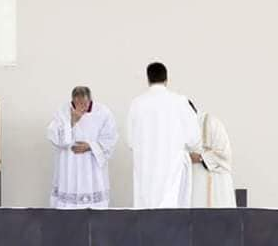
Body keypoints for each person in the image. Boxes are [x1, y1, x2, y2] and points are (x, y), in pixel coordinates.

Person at [127, 63, 200, 208]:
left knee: (147, 209)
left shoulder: (137, 103)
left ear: (148, 79)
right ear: (167, 79)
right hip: (173, 167)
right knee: (172, 208)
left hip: (146, 168)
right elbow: (194, 138)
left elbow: (130, 140)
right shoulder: (180, 101)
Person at [47, 86, 118, 208]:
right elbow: (54, 137)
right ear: (73, 100)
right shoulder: (62, 111)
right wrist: (72, 121)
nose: (81, 107)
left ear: (90, 100)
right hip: (69, 164)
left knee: (94, 208)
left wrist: (90, 146)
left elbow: (110, 137)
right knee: (68, 206)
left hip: (92, 164)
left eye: (84, 103)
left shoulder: (103, 112)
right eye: (77, 103)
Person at [188, 102, 237, 208]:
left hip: (215, 184)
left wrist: (201, 157)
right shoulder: (180, 127)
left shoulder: (211, 122)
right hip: (192, 186)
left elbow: (225, 155)